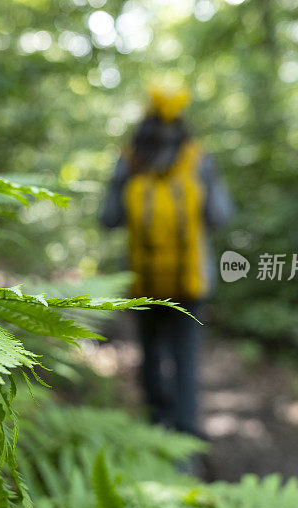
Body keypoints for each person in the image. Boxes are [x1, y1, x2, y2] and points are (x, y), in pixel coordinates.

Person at [100, 85, 234, 438]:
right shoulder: (197, 157)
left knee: (151, 355)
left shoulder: (129, 159)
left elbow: (109, 217)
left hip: (142, 277)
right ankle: (187, 439)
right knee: (185, 358)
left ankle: (156, 428)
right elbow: (220, 215)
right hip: (190, 278)